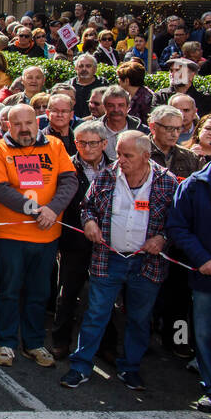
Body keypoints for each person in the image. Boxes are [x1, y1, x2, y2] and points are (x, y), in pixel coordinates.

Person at [61, 131, 179, 392]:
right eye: (119, 154)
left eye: (128, 156)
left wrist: (162, 238)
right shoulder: (108, 175)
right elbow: (86, 206)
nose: (121, 160)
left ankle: (130, 368)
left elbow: (178, 221)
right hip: (108, 258)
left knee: (139, 318)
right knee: (96, 314)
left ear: (146, 156)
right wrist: (89, 222)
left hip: (147, 263)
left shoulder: (167, 182)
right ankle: (80, 366)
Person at [0, 103, 77, 368]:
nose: (24, 129)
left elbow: (69, 180)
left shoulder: (55, 146)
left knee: (39, 292)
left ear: (38, 123)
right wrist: (37, 211)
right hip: (11, 235)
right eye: (17, 124)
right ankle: (7, 342)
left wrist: (53, 209)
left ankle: (34, 343)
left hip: (47, 236)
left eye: (29, 123)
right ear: (7, 126)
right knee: (10, 291)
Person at [166, 122, 211, 413]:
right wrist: (201, 259)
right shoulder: (194, 185)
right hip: (208, 273)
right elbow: (177, 227)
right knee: (206, 334)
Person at [50, 120, 113, 360]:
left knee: (103, 295)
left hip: (107, 243)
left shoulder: (116, 168)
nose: (87, 148)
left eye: (93, 143)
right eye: (82, 142)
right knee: (67, 292)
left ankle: (106, 345)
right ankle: (60, 341)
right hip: (73, 240)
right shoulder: (65, 165)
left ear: (104, 143)